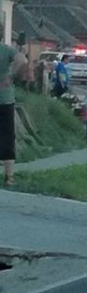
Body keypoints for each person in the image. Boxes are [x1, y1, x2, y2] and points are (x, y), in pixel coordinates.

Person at [0, 42, 28, 186]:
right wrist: (11, 76)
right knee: (7, 136)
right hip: (5, 98)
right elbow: (23, 60)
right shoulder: (6, 50)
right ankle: (9, 176)